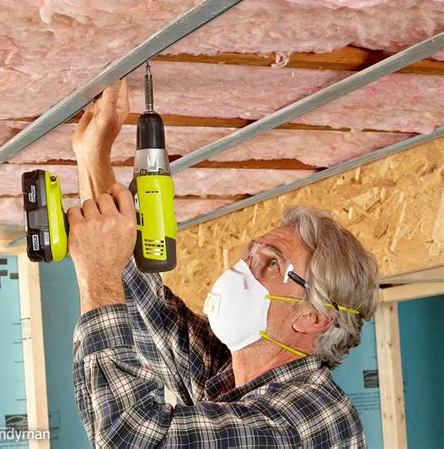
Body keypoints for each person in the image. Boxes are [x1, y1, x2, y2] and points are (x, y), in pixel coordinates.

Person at [69, 80, 379, 448]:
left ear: (313, 316)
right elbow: (146, 309)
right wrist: (94, 157)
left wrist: (96, 271)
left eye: (270, 263)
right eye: (251, 254)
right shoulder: (235, 375)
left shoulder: (303, 419)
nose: (242, 269)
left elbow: (132, 438)